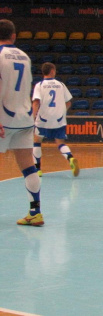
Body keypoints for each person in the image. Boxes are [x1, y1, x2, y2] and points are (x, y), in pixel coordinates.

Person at [0, 19, 43, 226]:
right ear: (14, 36)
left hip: (4, 117)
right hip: (25, 118)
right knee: (28, 166)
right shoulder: (25, 57)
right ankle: (36, 212)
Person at [32, 62, 79, 177]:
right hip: (58, 119)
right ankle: (70, 158)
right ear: (52, 71)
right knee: (60, 142)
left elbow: (36, 102)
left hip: (43, 119)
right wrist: (62, 112)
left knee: (37, 141)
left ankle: (38, 169)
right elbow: (68, 102)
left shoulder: (40, 85)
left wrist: (32, 117)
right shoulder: (61, 84)